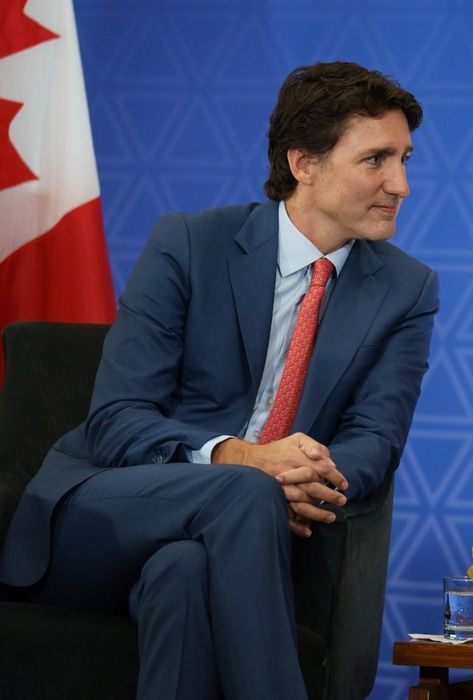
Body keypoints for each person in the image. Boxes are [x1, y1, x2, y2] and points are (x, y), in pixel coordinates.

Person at [0, 61, 439, 699]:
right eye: (376, 159)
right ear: (304, 163)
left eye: (404, 158)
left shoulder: (406, 289)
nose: (400, 183)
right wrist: (244, 460)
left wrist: (305, 477)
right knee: (245, 488)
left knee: (181, 575)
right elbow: (118, 418)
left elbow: (376, 437)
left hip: (230, 540)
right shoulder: (189, 243)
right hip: (99, 514)